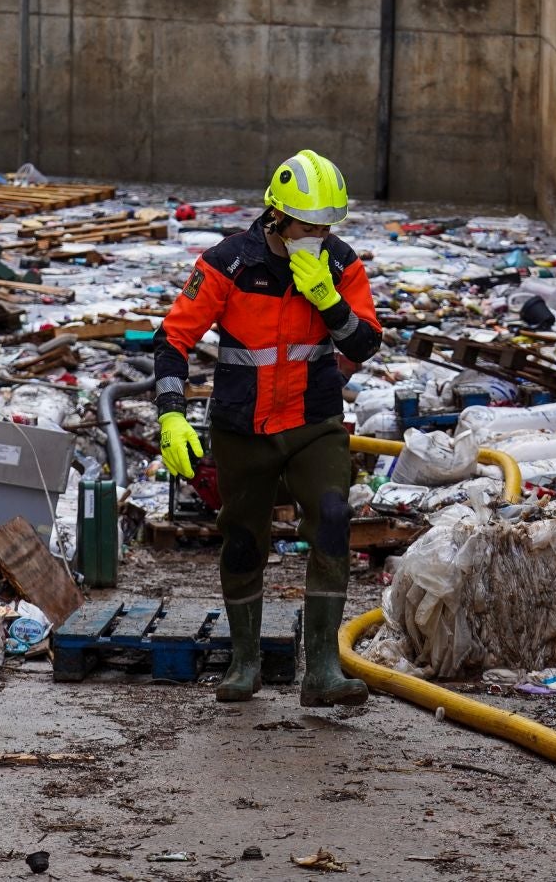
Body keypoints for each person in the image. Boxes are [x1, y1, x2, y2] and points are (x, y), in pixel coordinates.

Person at [153, 150, 383, 707]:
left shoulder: (339, 264)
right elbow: (173, 339)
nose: (319, 236)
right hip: (243, 428)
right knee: (242, 540)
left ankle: (324, 669)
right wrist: (171, 412)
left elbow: (365, 344)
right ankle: (245, 660)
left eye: (328, 227)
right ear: (277, 216)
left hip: (313, 420)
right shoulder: (228, 264)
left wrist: (328, 301)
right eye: (309, 226)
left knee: (332, 517)